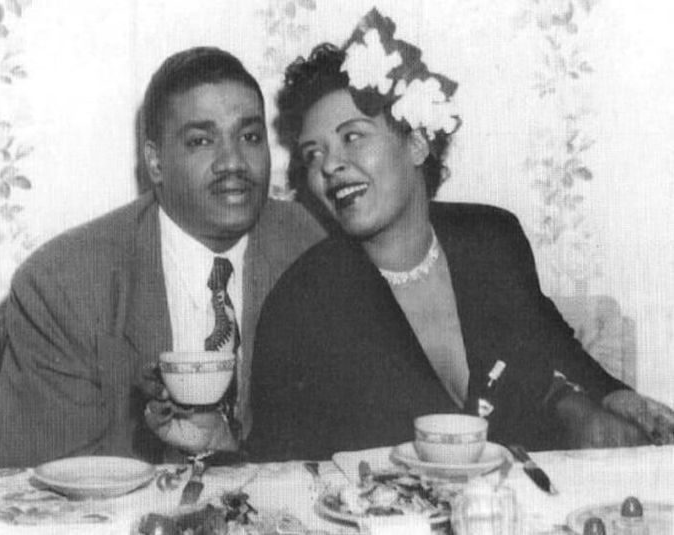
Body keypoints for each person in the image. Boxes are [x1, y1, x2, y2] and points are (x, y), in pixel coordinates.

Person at [246, 9, 674, 461]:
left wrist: (609, 396)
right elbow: (280, 467)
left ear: (416, 143)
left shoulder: (492, 238)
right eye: (313, 154)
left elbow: (544, 336)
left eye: (352, 137)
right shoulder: (304, 300)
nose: (328, 167)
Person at [0, 47, 325, 467]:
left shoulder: (309, 248)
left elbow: (331, 448)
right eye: (201, 140)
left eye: (250, 137)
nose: (234, 162)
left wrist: (229, 459)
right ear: (155, 163)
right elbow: (47, 487)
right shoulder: (61, 284)